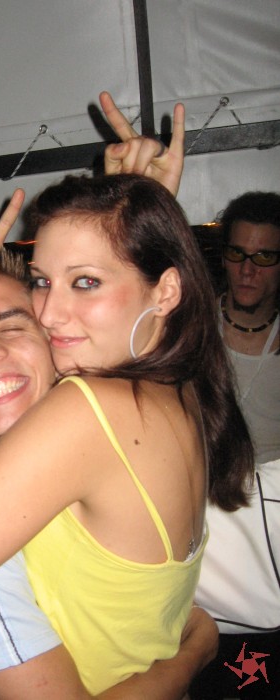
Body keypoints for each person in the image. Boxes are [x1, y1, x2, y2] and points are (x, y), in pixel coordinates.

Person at [0, 172, 254, 694]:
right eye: (42, 281)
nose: (50, 315)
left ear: (167, 290)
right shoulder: (183, 389)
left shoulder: (88, 409)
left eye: (85, 282)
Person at [191, 191, 280, 699]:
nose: (248, 270)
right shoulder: (191, 331)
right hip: (199, 529)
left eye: (265, 256)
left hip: (268, 540)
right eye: (237, 253)